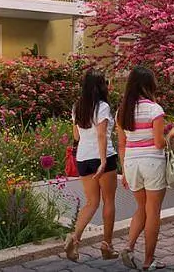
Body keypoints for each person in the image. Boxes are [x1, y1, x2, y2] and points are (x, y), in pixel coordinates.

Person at [117, 67, 174, 270]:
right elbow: (159, 143)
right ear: (148, 85)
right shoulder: (155, 110)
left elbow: (122, 144)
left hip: (132, 164)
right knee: (153, 213)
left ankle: (129, 246)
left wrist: (124, 171)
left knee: (141, 208)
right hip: (152, 162)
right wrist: (172, 133)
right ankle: (148, 261)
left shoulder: (122, 112)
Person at [61, 69, 119, 262]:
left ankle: (75, 238)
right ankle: (107, 246)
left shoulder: (77, 107)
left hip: (83, 158)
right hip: (103, 158)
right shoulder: (102, 106)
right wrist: (103, 161)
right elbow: (102, 135)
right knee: (108, 201)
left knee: (91, 202)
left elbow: (76, 136)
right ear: (101, 85)